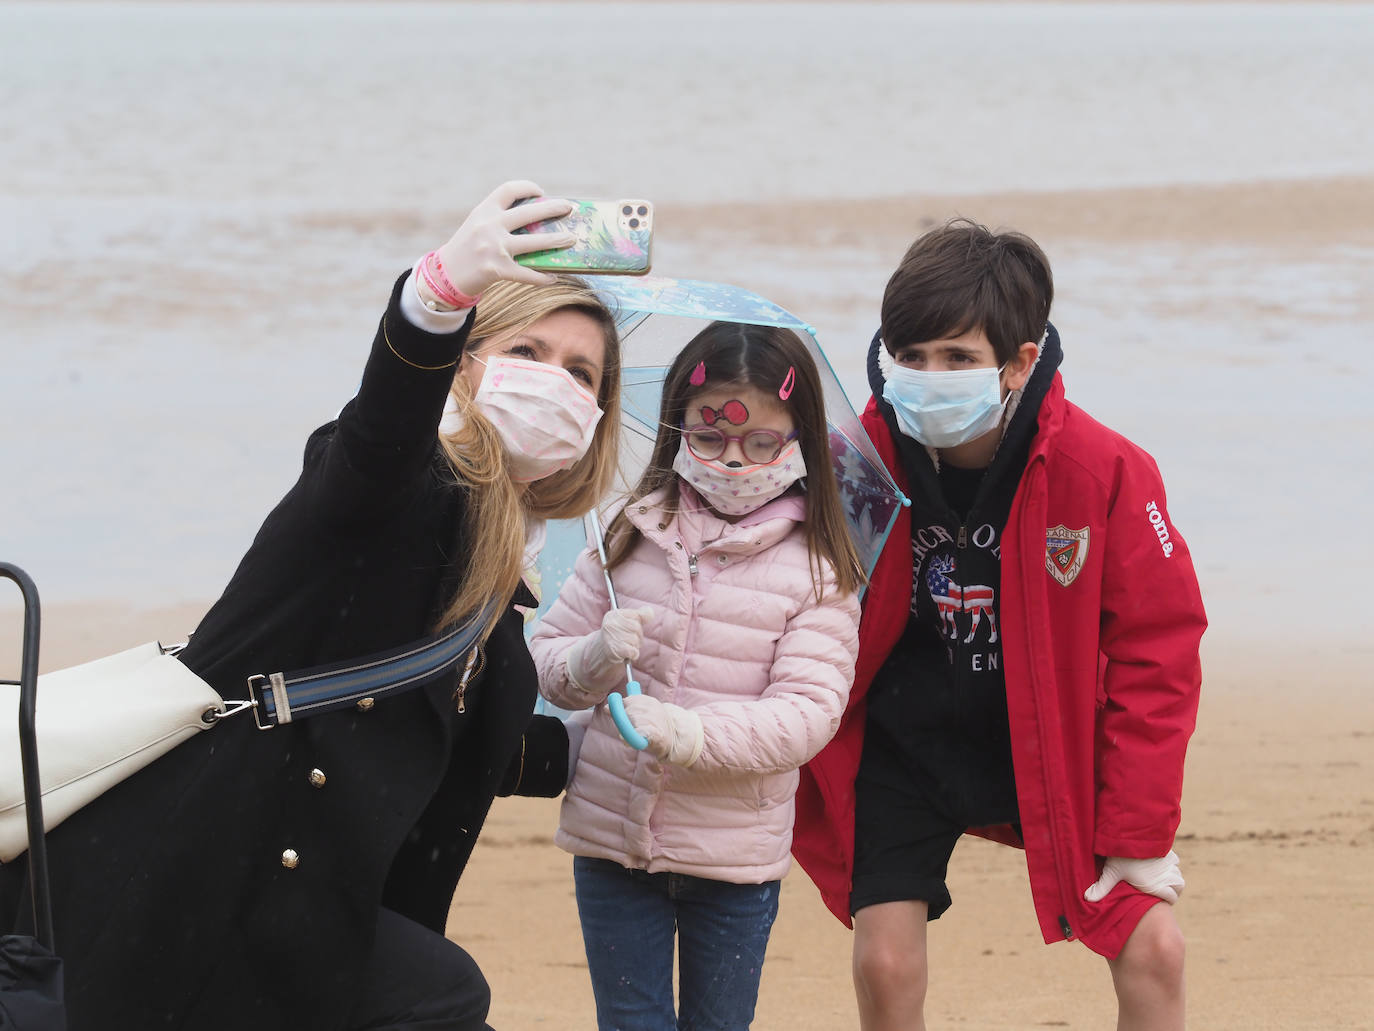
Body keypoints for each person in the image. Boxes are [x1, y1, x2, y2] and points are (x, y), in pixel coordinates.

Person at [0, 181, 624, 1030]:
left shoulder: (503, 563)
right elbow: (379, 436)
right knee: (447, 996)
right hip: (201, 870)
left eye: (581, 373)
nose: (556, 383)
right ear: (469, 362)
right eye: (529, 351)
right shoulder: (397, 488)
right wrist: (435, 297)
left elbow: (437, 732)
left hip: (302, 900)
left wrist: (596, 745)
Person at [791, 219, 1207, 1030]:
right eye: (909, 356)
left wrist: (1139, 830)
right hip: (904, 741)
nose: (926, 376)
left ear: (1019, 360)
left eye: (956, 358)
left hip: (1044, 738)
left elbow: (1158, 651)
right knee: (884, 959)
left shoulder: (1105, 469)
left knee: (1156, 947)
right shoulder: (856, 461)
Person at [530, 321, 865, 1031]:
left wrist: (690, 732)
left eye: (761, 443)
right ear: (678, 430)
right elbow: (550, 663)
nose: (733, 462)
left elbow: (807, 713)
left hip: (733, 861)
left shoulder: (819, 570)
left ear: (798, 441)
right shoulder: (626, 531)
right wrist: (593, 658)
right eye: (709, 439)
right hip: (613, 843)